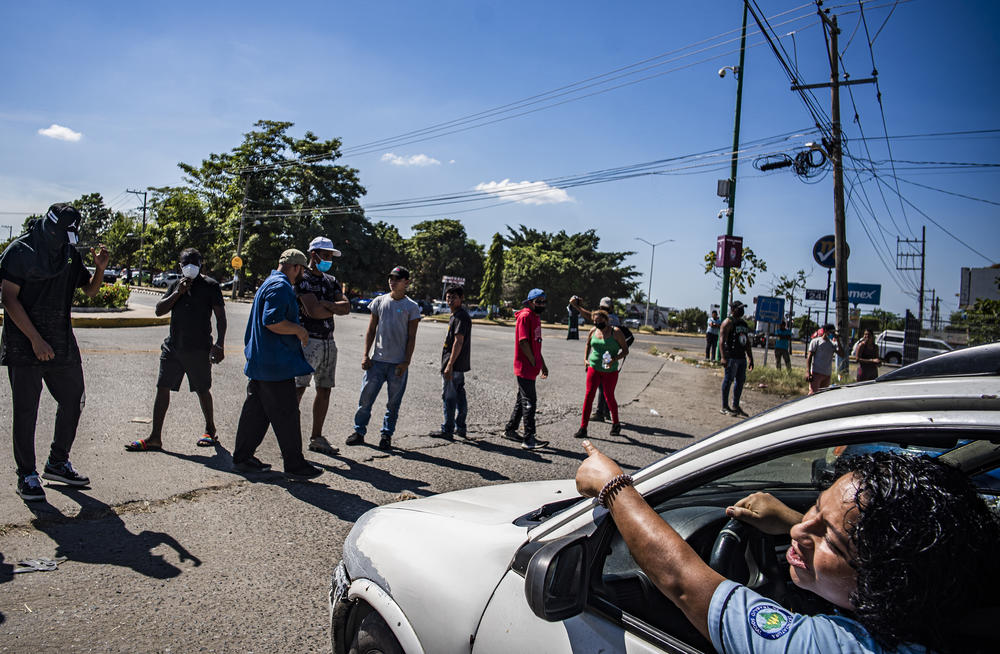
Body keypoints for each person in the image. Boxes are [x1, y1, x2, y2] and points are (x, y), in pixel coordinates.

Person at [575, 442, 999, 653]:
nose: (799, 532)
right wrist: (804, 524)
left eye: (828, 536)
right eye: (813, 508)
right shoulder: (945, 607)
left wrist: (613, 486)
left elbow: (683, 582)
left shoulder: (831, 647)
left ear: (887, 580)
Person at [0, 203, 108, 500]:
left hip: (61, 342)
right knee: (26, 410)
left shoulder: (69, 253)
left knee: (74, 399)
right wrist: (35, 339)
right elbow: (8, 298)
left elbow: (89, 290)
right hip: (25, 344)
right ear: (49, 227)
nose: (64, 239)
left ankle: (57, 462)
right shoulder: (20, 251)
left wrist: (99, 270)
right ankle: (27, 475)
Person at [232, 249, 322, 480]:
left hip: (262, 362)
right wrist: (299, 330)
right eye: (301, 270)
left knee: (256, 413)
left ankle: (243, 458)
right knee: (287, 414)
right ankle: (295, 464)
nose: (301, 274)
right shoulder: (281, 286)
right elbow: (272, 321)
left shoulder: (268, 283)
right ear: (296, 267)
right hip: (275, 364)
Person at [126, 248, 226, 452]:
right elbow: (159, 310)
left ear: (201, 265)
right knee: (163, 387)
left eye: (194, 263)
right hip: (173, 347)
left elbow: (221, 317)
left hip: (198, 348)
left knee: (202, 389)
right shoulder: (175, 285)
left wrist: (220, 344)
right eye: (186, 263)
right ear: (179, 266)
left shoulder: (210, 286)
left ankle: (210, 430)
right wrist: (178, 293)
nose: (190, 267)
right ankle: (155, 437)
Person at [346, 266, 421, 451]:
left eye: (397, 278)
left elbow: (412, 337)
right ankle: (359, 432)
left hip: (397, 364)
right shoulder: (379, 301)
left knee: (393, 404)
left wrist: (406, 362)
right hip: (377, 362)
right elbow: (371, 330)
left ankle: (386, 435)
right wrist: (365, 355)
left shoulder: (411, 307)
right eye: (390, 278)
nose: (392, 281)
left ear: (406, 282)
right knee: (365, 400)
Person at [294, 236, 350, 456]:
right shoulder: (302, 279)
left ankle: (316, 437)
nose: (328, 259)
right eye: (325, 255)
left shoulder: (331, 280)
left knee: (324, 389)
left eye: (330, 256)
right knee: (297, 389)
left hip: (328, 342)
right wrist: (331, 307)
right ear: (313, 254)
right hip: (307, 342)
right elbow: (312, 312)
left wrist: (325, 304)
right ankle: (288, 436)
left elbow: (346, 307)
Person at [570, 295, 632, 422]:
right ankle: (604, 411)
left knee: (605, 388)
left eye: (605, 307)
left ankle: (602, 413)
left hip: (608, 359)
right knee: (602, 387)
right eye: (601, 307)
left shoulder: (611, 319)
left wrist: (576, 306)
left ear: (611, 308)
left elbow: (589, 316)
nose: (603, 309)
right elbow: (591, 317)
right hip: (601, 359)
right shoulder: (605, 319)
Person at [503, 288, 549, 450]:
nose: (542, 305)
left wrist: (542, 363)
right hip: (525, 367)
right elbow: (523, 342)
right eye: (539, 302)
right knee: (530, 402)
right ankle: (529, 438)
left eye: (544, 301)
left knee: (521, 400)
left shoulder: (535, 317)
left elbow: (536, 343)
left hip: (532, 367)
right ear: (530, 302)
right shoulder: (525, 316)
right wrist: (532, 361)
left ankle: (510, 429)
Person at [574, 309, 628, 440]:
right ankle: (583, 427)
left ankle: (616, 424)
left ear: (606, 319)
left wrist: (614, 359)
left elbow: (625, 350)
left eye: (599, 321)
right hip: (594, 367)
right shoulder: (593, 331)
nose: (597, 323)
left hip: (610, 371)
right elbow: (588, 344)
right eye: (594, 321)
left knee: (609, 396)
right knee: (589, 396)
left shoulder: (616, 332)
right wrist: (586, 359)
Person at [430, 286, 471, 440]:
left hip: (453, 364)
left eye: (453, 297)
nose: (450, 300)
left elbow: (458, 342)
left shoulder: (460, 317)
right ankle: (460, 427)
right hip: (458, 364)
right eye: (448, 297)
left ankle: (448, 429)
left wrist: (449, 365)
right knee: (460, 395)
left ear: (461, 298)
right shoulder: (457, 315)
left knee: (449, 397)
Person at [720, 300, 754, 417]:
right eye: (739, 308)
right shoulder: (727, 322)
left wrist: (750, 358)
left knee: (740, 382)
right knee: (728, 380)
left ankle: (736, 405)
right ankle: (724, 407)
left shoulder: (744, 324)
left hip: (741, 358)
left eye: (743, 308)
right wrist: (723, 357)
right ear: (733, 309)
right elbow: (722, 341)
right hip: (731, 358)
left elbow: (747, 342)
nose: (742, 310)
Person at [806, 324, 841, 394]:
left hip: (827, 374)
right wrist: (808, 372)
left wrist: (838, 340)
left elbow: (841, 354)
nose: (832, 334)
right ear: (825, 331)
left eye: (833, 332)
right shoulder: (816, 341)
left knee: (823, 394)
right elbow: (809, 357)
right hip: (816, 372)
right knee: (813, 393)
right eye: (830, 332)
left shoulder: (833, 344)